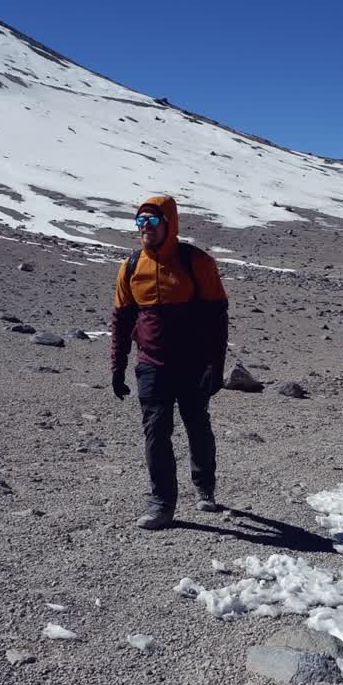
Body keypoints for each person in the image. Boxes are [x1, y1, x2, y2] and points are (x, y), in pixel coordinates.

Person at [110, 195, 229, 530]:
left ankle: (204, 486)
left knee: (197, 426)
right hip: (152, 364)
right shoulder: (132, 266)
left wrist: (216, 367)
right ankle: (161, 503)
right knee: (155, 433)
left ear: (169, 224)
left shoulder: (197, 262)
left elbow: (217, 317)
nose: (144, 228)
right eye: (140, 222)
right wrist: (117, 367)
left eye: (151, 221)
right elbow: (121, 319)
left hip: (194, 364)